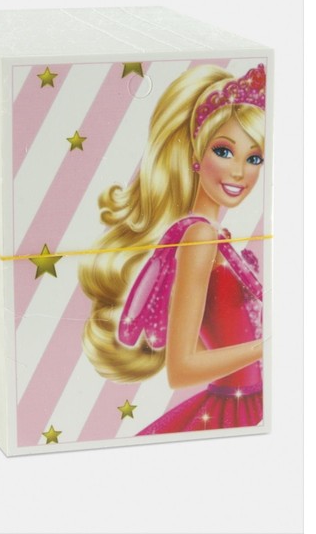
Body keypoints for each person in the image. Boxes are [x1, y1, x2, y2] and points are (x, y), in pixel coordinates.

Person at [78, 63, 266, 434]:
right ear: (196, 154)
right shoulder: (199, 238)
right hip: (239, 407)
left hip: (252, 400)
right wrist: (268, 346)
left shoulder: (211, 236)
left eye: (254, 158)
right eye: (224, 151)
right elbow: (181, 370)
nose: (240, 172)